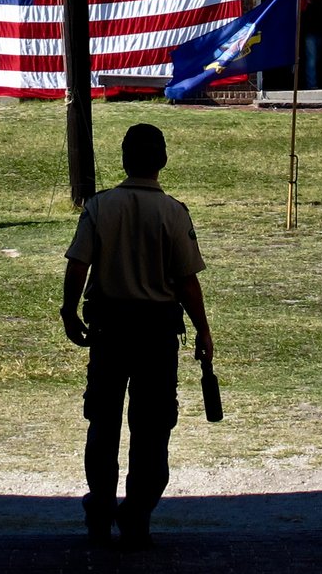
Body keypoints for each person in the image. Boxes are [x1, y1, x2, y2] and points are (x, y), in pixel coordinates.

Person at [60, 122, 214, 549]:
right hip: (157, 334)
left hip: (110, 330)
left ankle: (101, 510)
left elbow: (78, 264)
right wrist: (203, 330)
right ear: (162, 161)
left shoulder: (100, 207)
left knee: (103, 423)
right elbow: (187, 282)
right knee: (152, 427)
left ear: (124, 160)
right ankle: (138, 513)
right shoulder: (174, 212)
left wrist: (69, 311)